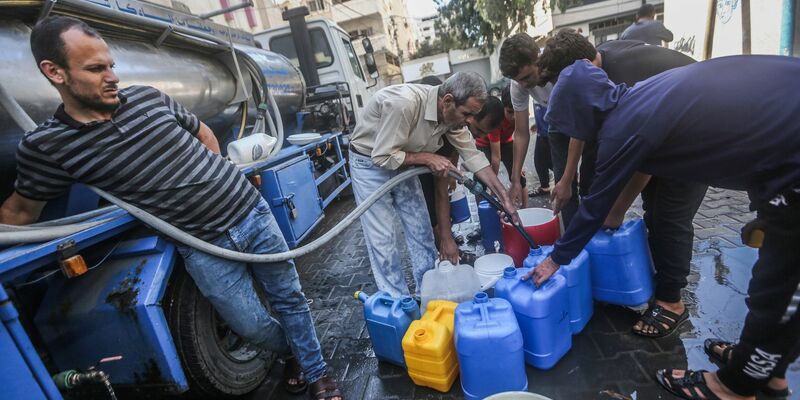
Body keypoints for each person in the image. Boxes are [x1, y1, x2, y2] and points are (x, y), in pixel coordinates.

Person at [0, 16, 342, 400]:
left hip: (251, 212)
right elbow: (20, 213)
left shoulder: (148, 96)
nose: (111, 76)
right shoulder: (48, 146)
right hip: (201, 245)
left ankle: (316, 372)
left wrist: (214, 179)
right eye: (96, 69)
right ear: (54, 72)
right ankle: (296, 351)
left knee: (289, 298)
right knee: (249, 326)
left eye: (111, 65)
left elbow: (203, 133)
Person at [528, 57, 800, 400]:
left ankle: (734, 387)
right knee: (776, 279)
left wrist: (555, 259)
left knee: (781, 287)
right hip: (784, 138)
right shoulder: (638, 97)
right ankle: (762, 369)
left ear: (581, 113)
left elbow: (596, 206)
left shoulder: (622, 127)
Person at [537, 31, 709, 338]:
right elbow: (583, 122)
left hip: (699, 131)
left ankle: (671, 302)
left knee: (668, 216)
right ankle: (660, 278)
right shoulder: (598, 65)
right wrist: (566, 178)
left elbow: (644, 160)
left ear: (580, 69)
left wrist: (615, 210)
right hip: (672, 125)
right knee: (653, 210)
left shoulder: (624, 82)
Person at [348, 72, 517, 299]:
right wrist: (427, 158)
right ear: (447, 101)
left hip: (404, 161)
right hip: (370, 163)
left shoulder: (452, 118)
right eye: (467, 114)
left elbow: (474, 157)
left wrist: (503, 196)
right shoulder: (405, 104)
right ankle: (397, 307)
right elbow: (382, 157)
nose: (469, 121)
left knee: (422, 232)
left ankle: (427, 297)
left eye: (472, 115)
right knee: (383, 242)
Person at [499, 32, 595, 226]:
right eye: (519, 80)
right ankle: (572, 239)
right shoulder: (518, 84)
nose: (524, 85)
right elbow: (521, 132)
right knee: (562, 189)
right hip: (558, 122)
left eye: (527, 77)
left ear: (539, 59)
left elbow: (580, 125)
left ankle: (597, 231)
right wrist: (516, 178)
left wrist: (569, 179)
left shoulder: (562, 69)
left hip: (587, 120)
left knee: (589, 181)